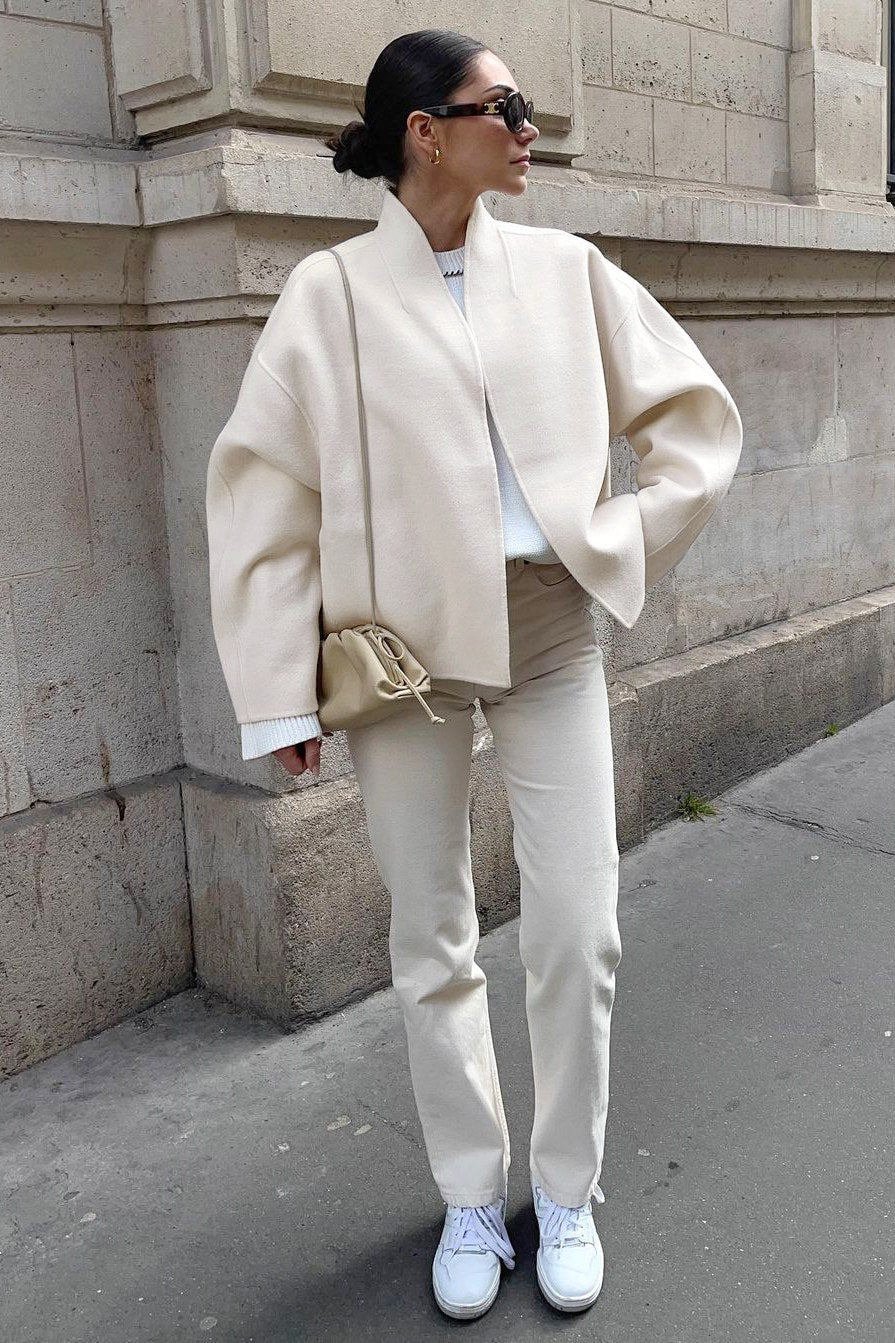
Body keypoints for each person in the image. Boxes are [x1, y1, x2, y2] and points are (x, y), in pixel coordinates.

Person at [205, 29, 743, 1321]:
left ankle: (566, 1188)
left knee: (579, 930)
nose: (529, 127)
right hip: (404, 662)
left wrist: (615, 538)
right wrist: (278, 695)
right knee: (431, 938)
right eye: (505, 106)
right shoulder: (330, 296)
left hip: (551, 633)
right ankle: (467, 1194)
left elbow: (695, 423)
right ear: (424, 132)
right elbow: (263, 498)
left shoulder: (567, 271)